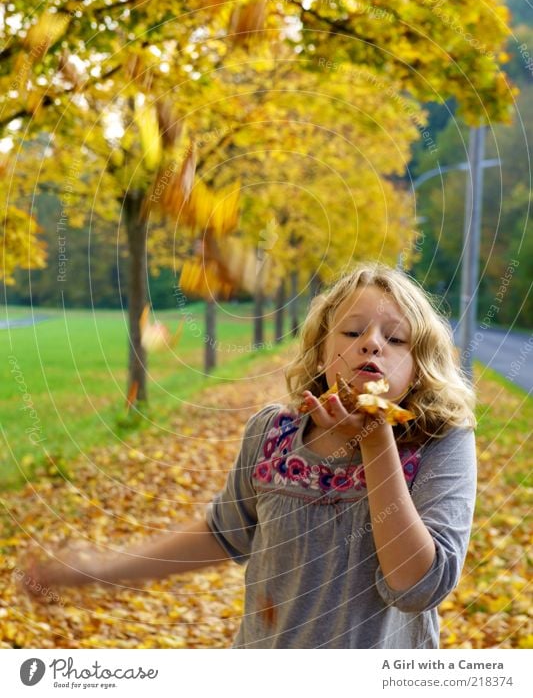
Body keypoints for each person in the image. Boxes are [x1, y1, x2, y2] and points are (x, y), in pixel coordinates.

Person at [19, 261, 477, 649]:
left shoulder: (440, 444)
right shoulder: (272, 435)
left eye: (396, 340)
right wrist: (101, 569)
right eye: (353, 330)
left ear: (419, 368)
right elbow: (222, 534)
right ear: (321, 353)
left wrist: (377, 442)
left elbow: (417, 586)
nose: (372, 343)